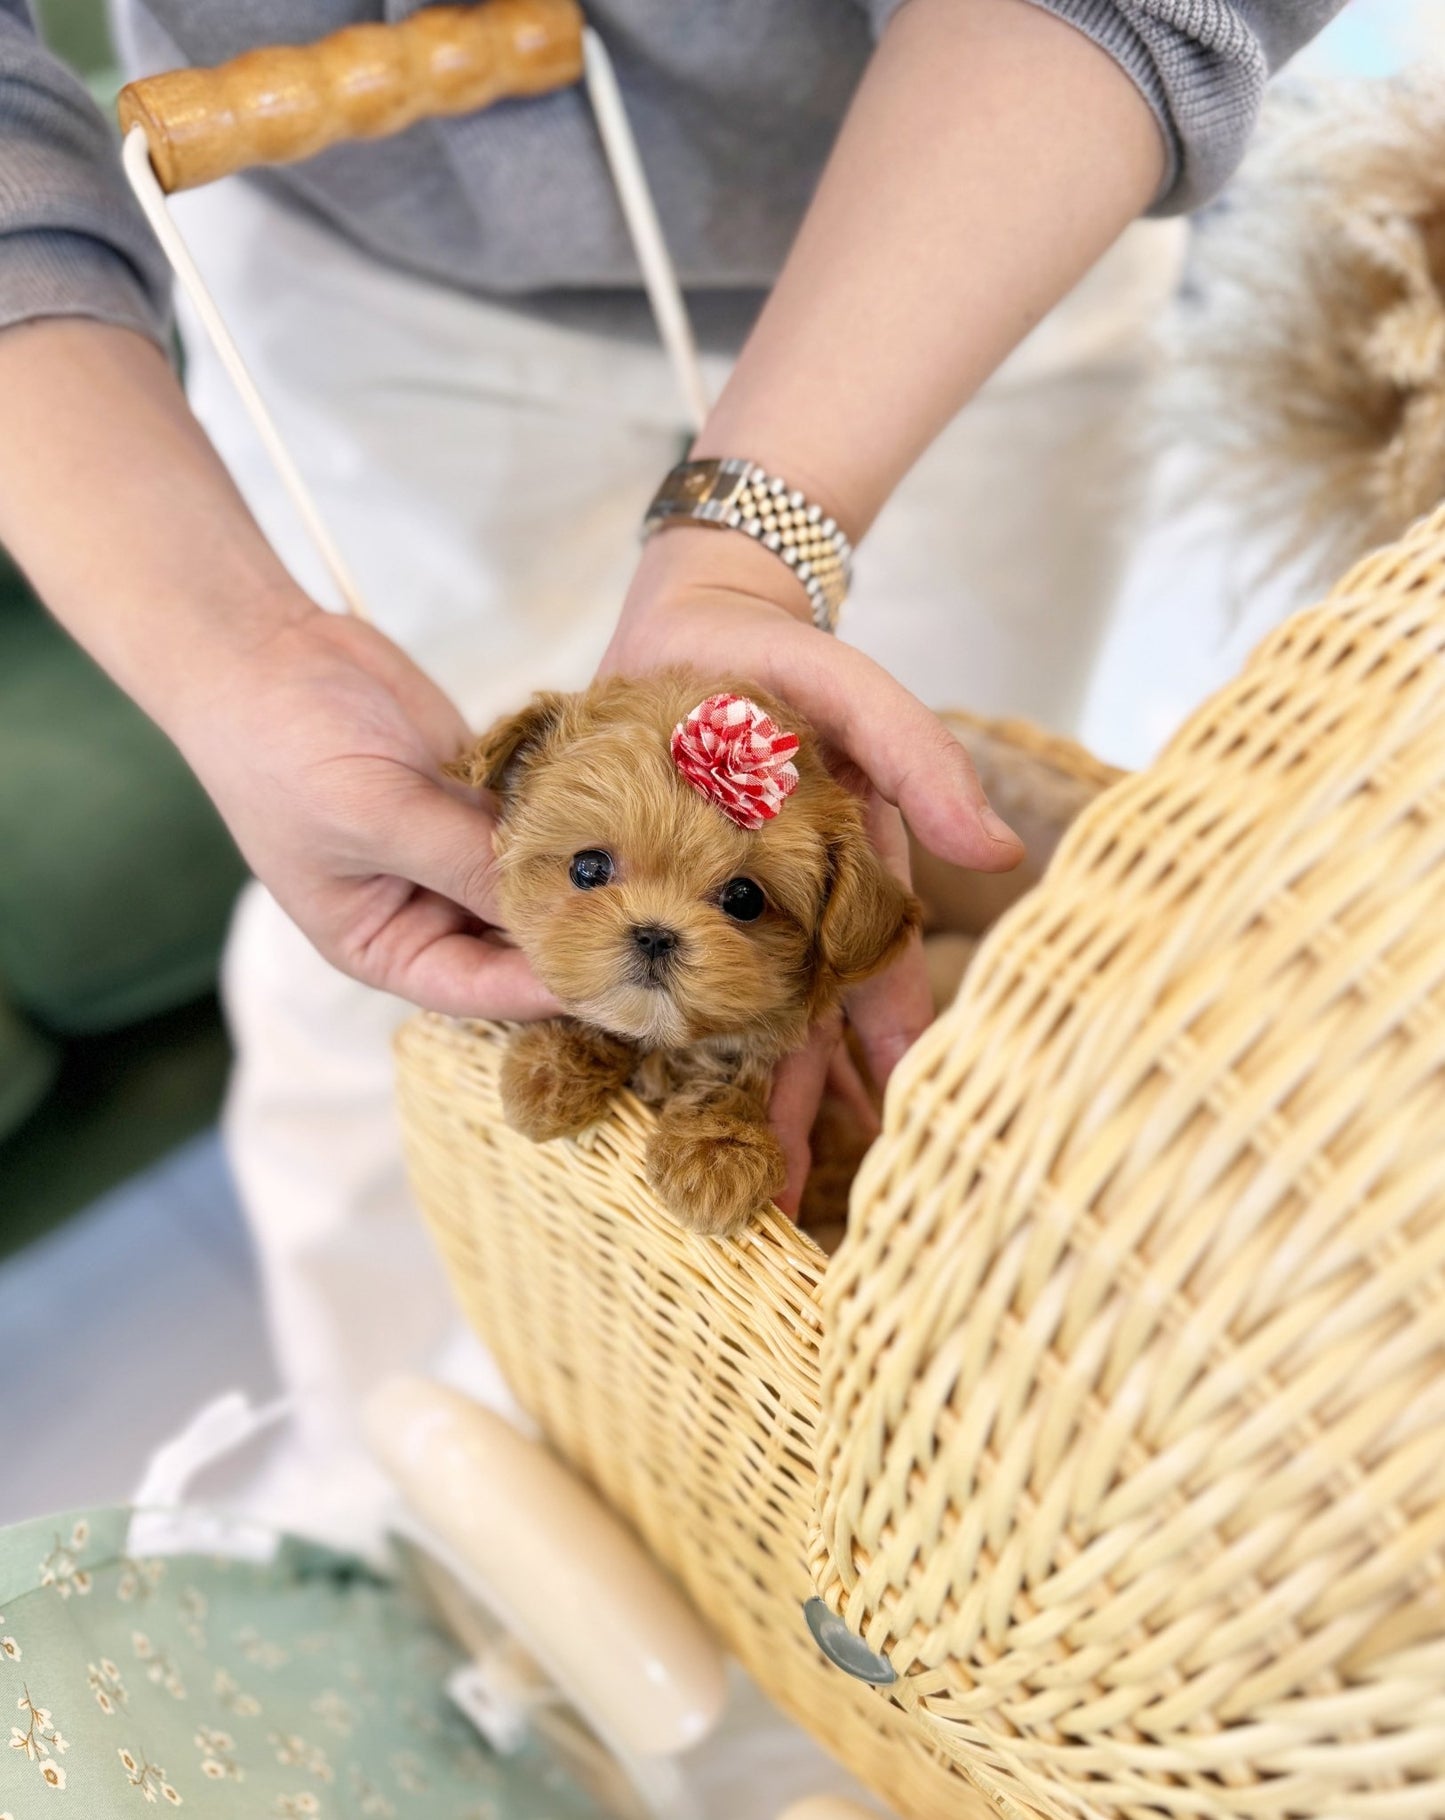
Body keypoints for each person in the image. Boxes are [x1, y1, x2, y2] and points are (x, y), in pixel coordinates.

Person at [0, 0, 1343, 1521]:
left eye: (743, 900)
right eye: (595, 870)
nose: (650, 927)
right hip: (352, 271)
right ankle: (351, 1493)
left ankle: (841, 1476)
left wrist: (748, 548)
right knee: (355, 1006)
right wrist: (227, 649)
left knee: (948, 953)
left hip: (985, 225)